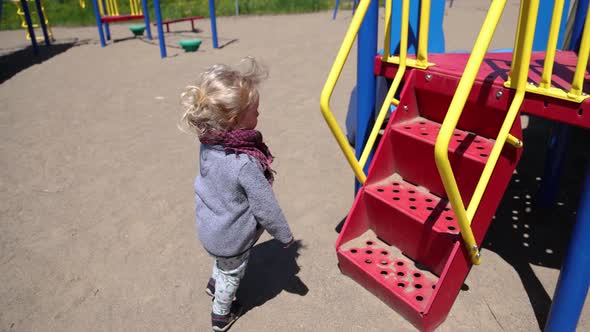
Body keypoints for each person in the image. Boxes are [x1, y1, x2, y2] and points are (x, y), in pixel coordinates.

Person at [180, 57, 295, 331]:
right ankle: (221, 314)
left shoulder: (209, 142)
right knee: (233, 272)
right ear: (235, 120)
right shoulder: (244, 163)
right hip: (230, 237)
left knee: (223, 263)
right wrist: (284, 235)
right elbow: (266, 207)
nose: (259, 115)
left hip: (210, 224)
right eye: (255, 111)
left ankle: (213, 283)